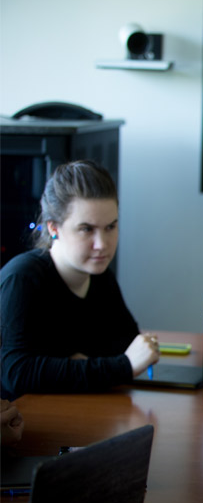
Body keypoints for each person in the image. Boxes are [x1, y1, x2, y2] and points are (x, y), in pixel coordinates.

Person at [0, 161, 159, 399]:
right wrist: (121, 366)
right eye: (86, 229)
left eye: (111, 227)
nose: (102, 244)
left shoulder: (99, 275)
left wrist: (67, 365)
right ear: (54, 228)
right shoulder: (22, 279)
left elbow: (128, 344)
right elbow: (17, 374)